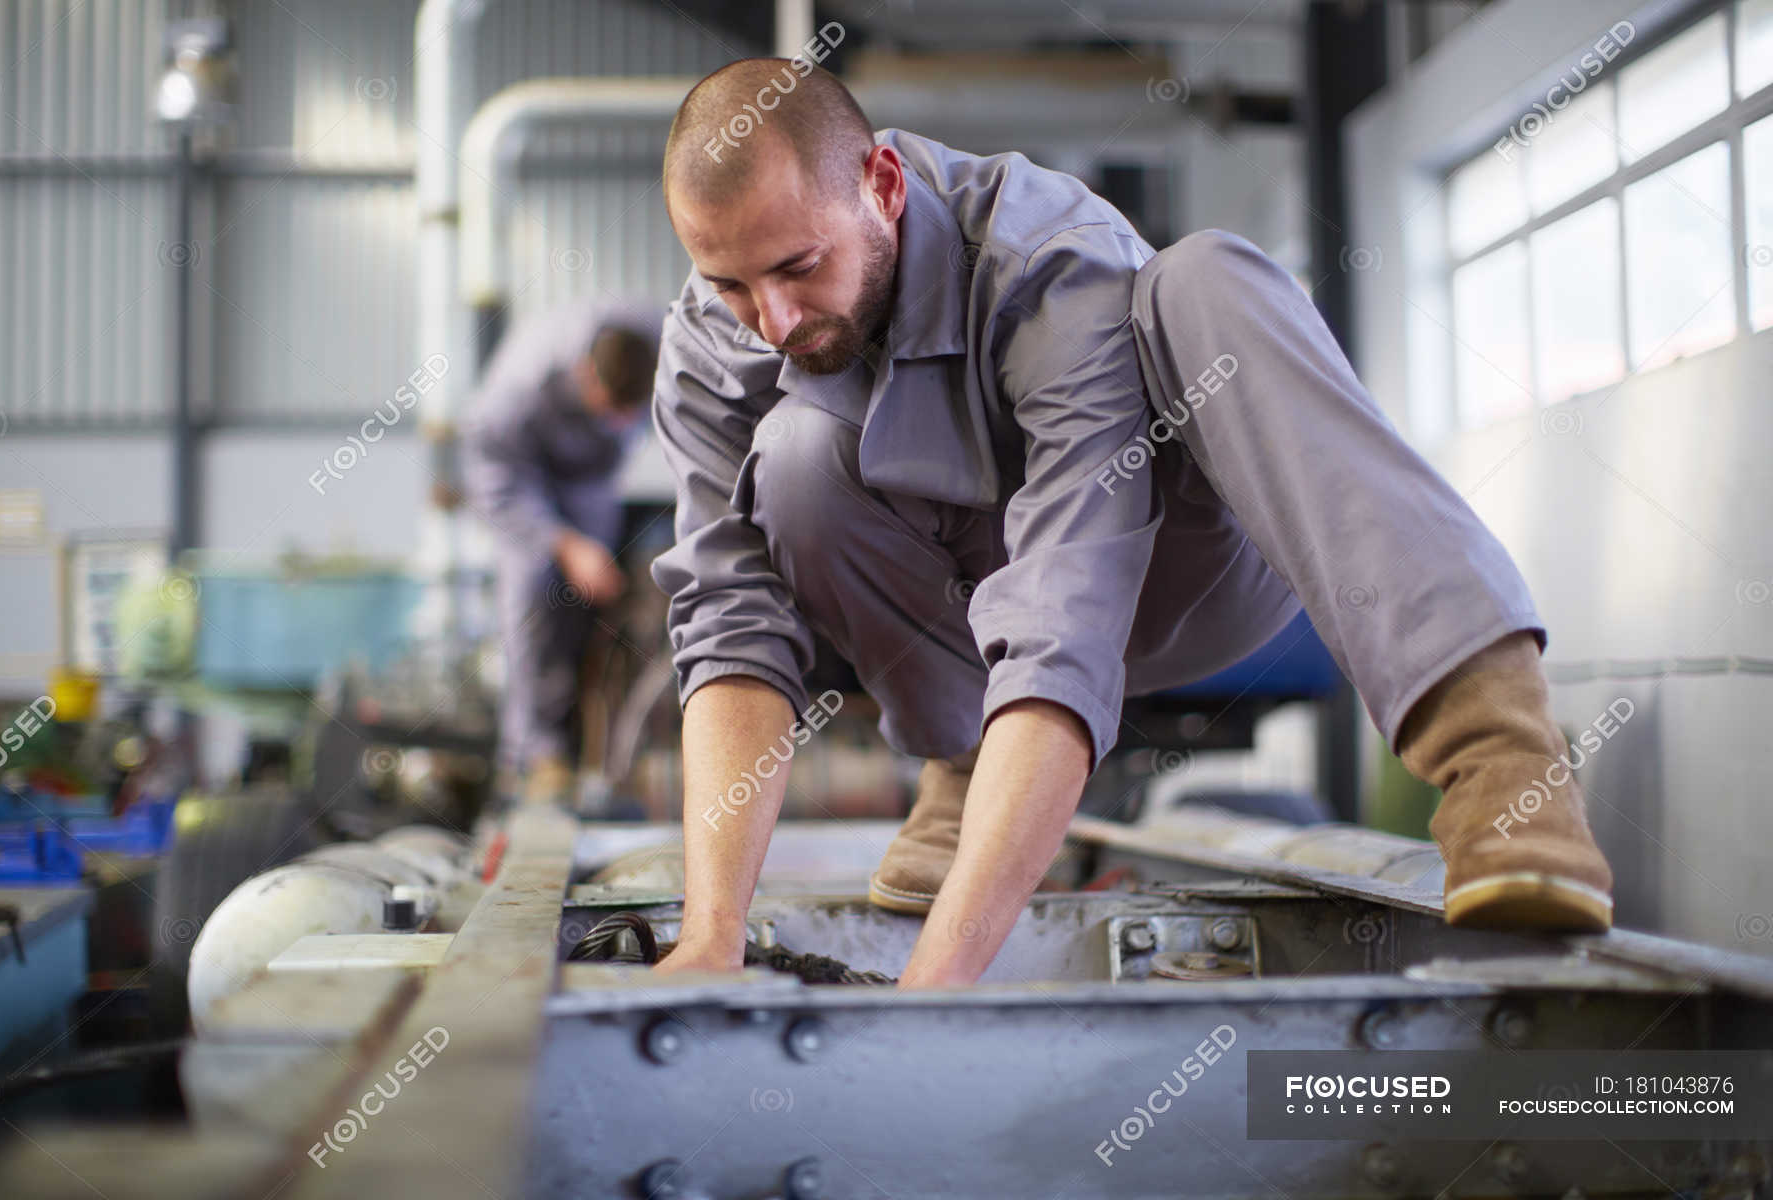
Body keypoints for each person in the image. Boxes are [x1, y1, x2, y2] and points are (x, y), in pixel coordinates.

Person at [647, 60, 1614, 988]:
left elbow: (1067, 614)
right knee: (800, 461)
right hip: (983, 631)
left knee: (1209, 280)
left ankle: (1499, 755)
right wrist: (709, 934)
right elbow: (728, 623)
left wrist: (938, 984)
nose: (769, 317)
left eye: (799, 267)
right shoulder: (712, 339)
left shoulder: (1048, 262)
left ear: (884, 186)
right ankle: (969, 765)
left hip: (1185, 576)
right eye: (732, 286)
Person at [465, 305, 659, 801]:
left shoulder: (667, 341)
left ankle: (605, 746)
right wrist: (566, 544)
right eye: (612, 410)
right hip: (526, 488)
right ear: (583, 374)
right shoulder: (516, 392)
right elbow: (494, 487)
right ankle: (536, 754)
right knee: (535, 586)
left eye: (630, 415)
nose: (622, 425)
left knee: (609, 589)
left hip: (594, 487)